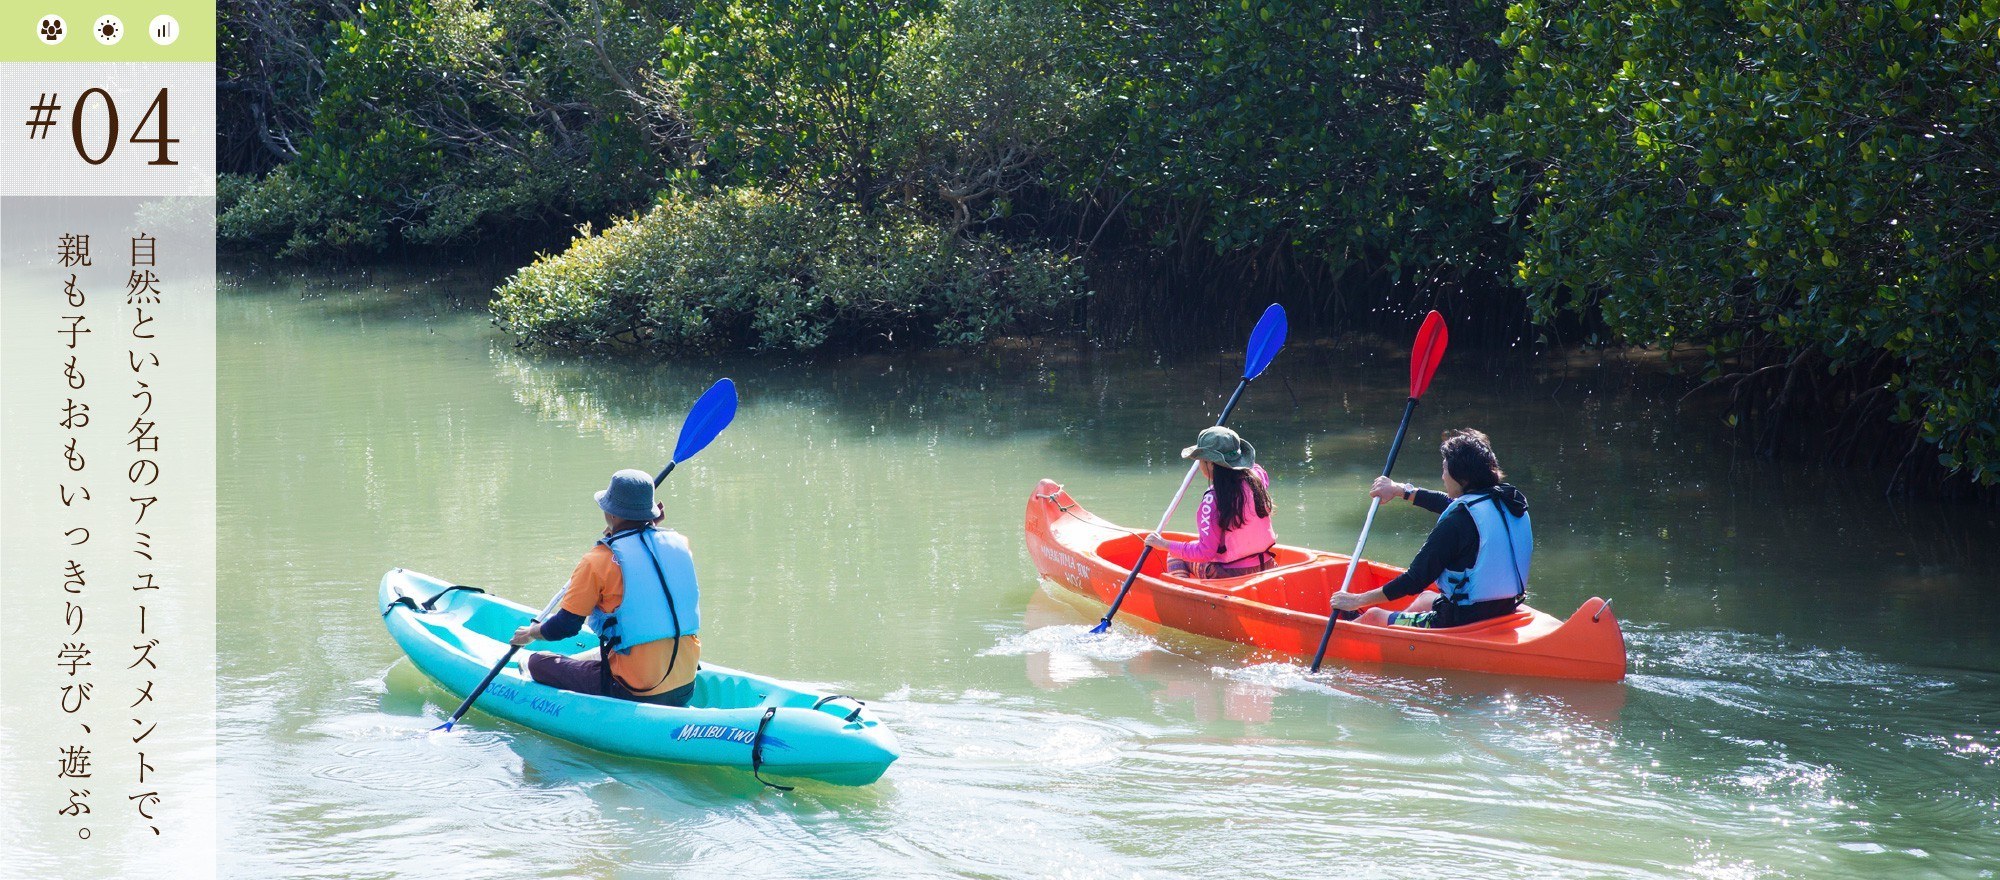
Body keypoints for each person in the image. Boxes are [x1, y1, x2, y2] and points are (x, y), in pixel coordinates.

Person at [509, 469, 702, 706]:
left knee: (536, 662)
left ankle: (534, 665)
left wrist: (531, 633)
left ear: (609, 512)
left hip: (633, 690)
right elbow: (648, 565)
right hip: (686, 683)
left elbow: (565, 626)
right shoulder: (681, 545)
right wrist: (643, 528)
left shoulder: (597, 560)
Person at [1328, 428, 1532, 628]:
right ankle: (1398, 632)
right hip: (1504, 607)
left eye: (1445, 470)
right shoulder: (1506, 502)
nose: (1442, 477)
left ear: (1463, 478)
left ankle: (1361, 630)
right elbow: (1448, 503)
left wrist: (1356, 600)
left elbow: (1414, 579)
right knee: (1426, 598)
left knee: (1373, 615)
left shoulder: (1455, 523)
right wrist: (1399, 490)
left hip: (1462, 618)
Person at [1143, 426, 1278, 579]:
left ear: (1211, 464)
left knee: (1175, 555)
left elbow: (1204, 552)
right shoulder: (1257, 479)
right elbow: (1256, 468)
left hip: (1231, 574)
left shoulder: (1212, 500)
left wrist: (1164, 544)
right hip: (1266, 565)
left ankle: (1183, 595)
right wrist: (1231, 458)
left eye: (1201, 460)